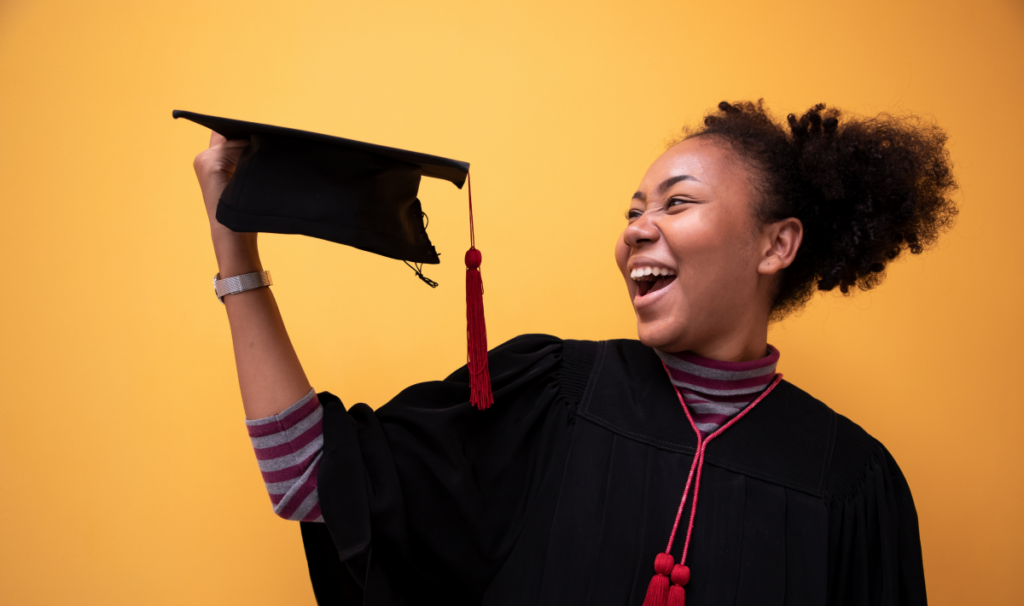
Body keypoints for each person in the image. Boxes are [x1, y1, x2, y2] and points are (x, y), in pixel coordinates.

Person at [192, 100, 957, 605]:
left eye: (677, 202)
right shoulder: (552, 399)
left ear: (775, 243)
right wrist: (235, 248)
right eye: (632, 210)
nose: (637, 228)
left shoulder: (853, 485)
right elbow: (306, 477)